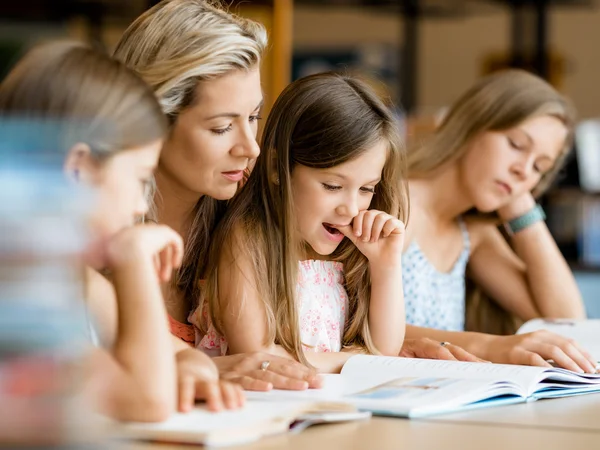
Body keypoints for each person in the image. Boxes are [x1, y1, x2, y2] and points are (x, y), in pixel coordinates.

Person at [112, 0, 324, 406]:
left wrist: (416, 348)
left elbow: (334, 310)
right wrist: (209, 365)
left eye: (254, 117)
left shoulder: (244, 214)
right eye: (222, 127)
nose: (251, 148)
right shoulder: (96, 233)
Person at [196, 72, 408, 373]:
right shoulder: (247, 239)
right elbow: (257, 356)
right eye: (333, 186)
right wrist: (360, 361)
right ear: (276, 169)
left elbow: (385, 349)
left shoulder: (349, 254)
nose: (350, 208)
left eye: (366, 189)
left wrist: (386, 266)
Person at [403, 69, 596, 374]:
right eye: (517, 145)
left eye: (539, 167)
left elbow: (566, 320)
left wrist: (522, 209)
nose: (525, 171)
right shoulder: (398, 201)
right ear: (473, 125)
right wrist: (488, 345)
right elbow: (357, 329)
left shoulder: (471, 232)